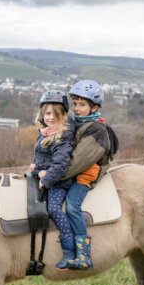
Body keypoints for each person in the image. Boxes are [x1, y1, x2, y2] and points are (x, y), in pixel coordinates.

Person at [63, 80, 118, 270]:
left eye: (82, 104)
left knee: (71, 206)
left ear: (93, 107)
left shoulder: (96, 130)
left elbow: (76, 163)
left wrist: (52, 175)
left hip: (85, 175)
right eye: (75, 104)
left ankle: (84, 254)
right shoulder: (78, 125)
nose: (76, 109)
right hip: (77, 172)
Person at [29, 90, 76, 271]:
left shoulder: (62, 136)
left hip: (58, 181)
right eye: (48, 113)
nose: (51, 118)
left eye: (56, 115)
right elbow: (40, 157)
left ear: (63, 116)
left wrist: (45, 179)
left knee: (54, 208)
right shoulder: (44, 132)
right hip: (45, 175)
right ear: (42, 114)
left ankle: (69, 250)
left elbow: (60, 164)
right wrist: (36, 168)